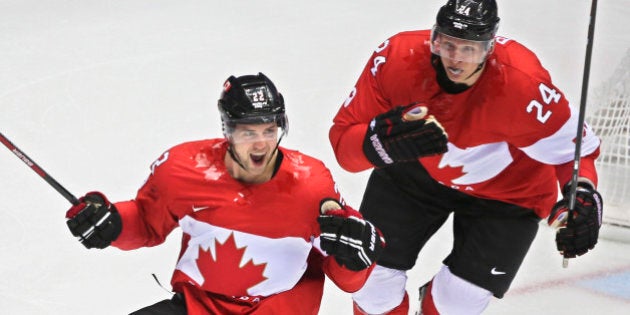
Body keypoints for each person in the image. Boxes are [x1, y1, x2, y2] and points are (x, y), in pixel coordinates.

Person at [328, 0, 604, 314]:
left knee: (457, 303)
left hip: (510, 193)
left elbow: (575, 151)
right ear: (434, 37)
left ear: (489, 48)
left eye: (469, 49)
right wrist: (378, 143)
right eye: (447, 44)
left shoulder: (523, 84)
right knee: (370, 281)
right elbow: (343, 147)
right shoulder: (396, 58)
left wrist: (582, 193)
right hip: (417, 170)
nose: (456, 59)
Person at [65, 72, 385, 314]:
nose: (260, 144)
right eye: (248, 131)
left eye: (269, 129)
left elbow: (348, 279)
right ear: (227, 128)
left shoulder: (311, 184)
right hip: (201, 308)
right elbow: (147, 223)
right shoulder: (184, 168)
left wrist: (356, 258)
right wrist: (111, 222)